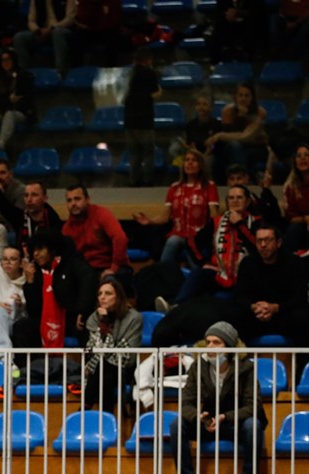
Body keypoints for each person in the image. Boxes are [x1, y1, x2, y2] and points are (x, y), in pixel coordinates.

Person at [167, 321, 267, 474]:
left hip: (234, 423)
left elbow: (253, 405)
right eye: (208, 342)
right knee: (176, 424)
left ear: (229, 346)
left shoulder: (246, 368)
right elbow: (186, 403)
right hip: (208, 423)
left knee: (253, 425)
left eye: (217, 342)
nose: (210, 347)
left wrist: (225, 417)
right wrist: (199, 417)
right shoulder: (199, 367)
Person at [234, 224, 309, 347]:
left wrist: (275, 308)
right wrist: (254, 307)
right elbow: (240, 296)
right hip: (257, 315)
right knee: (235, 316)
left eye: (268, 240)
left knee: (303, 317)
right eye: (259, 241)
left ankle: (304, 365)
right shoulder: (247, 263)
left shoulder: (294, 263)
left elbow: (300, 298)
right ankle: (242, 364)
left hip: (283, 315)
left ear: (278, 242)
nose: (263, 245)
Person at [134, 149, 219, 266]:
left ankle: (197, 274)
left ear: (201, 165)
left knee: (194, 257)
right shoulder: (175, 187)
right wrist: (149, 221)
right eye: (187, 160)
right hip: (179, 234)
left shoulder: (209, 186)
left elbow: (214, 215)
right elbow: (165, 217)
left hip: (199, 236)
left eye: (194, 160)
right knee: (172, 241)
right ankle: (163, 273)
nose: (189, 163)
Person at [61, 184, 131, 325]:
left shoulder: (101, 214)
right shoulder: (66, 229)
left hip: (112, 267)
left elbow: (120, 238)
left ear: (87, 199)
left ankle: (113, 326)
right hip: (87, 273)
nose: (73, 203)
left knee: (108, 282)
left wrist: (114, 266)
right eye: (69, 200)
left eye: (77, 199)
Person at [81, 278, 142, 412]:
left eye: (108, 293)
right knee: (105, 371)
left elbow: (127, 357)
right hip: (101, 370)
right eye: (100, 293)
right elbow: (94, 351)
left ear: (118, 296)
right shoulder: (94, 318)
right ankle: (106, 416)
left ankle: (84, 410)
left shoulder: (133, 318)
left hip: (125, 370)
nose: (102, 297)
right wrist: (104, 321)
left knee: (104, 367)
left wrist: (105, 322)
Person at [205, 81, 268, 185]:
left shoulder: (260, 112)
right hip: (233, 147)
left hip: (256, 148)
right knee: (231, 148)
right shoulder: (228, 111)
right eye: (240, 95)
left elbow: (245, 137)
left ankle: (242, 182)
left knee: (236, 147)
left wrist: (219, 136)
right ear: (236, 97)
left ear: (252, 98)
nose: (243, 99)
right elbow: (231, 135)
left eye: (247, 96)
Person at [0, 48, 33, 152]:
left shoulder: (24, 76)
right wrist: (8, 101)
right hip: (2, 111)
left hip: (21, 113)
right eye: (3, 60)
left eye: (8, 59)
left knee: (10, 114)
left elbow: (26, 100)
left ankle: (1, 142)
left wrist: (5, 104)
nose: (5, 63)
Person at [123, 46, 161, 188]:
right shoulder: (149, 73)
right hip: (144, 120)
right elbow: (155, 93)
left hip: (129, 120)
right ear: (148, 59)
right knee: (148, 153)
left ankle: (133, 181)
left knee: (134, 154)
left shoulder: (129, 74)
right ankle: (148, 181)